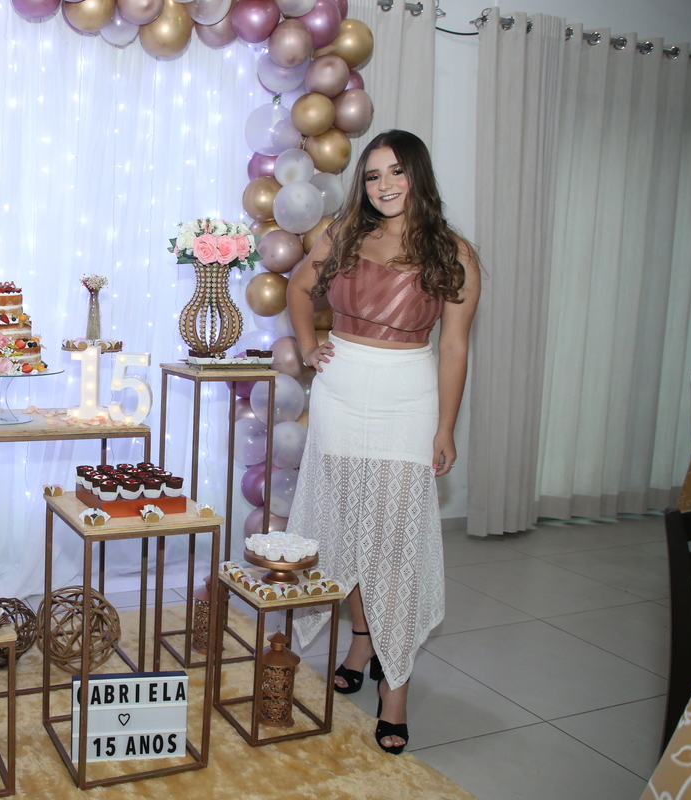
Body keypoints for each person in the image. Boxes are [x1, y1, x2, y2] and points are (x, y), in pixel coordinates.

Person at [284, 129, 480, 754]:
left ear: (418, 175)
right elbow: (298, 289)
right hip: (340, 395)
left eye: (396, 171)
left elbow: (454, 347)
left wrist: (445, 426)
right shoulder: (345, 232)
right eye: (372, 175)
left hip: (406, 399)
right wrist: (309, 347)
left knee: (393, 544)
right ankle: (361, 644)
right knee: (346, 528)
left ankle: (395, 687)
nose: (384, 185)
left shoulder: (453, 252)